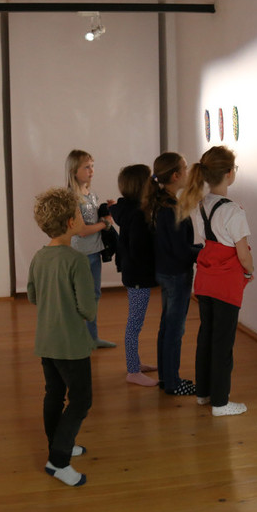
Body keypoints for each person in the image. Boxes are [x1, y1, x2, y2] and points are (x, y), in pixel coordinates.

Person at [27, 187, 97, 486]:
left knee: (54, 394)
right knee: (81, 399)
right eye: (79, 213)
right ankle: (58, 461)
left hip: (46, 341)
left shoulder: (39, 257)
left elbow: (32, 296)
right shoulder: (76, 260)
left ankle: (58, 444)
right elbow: (88, 309)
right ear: (70, 222)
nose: (82, 217)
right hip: (72, 345)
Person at [178, 146, 253, 417]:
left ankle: (204, 393)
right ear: (229, 173)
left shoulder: (201, 204)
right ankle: (220, 403)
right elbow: (243, 254)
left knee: (207, 336)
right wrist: (249, 271)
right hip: (226, 283)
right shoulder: (233, 211)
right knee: (223, 342)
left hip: (206, 280)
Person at [146, 152, 201, 396]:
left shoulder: (161, 203)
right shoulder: (170, 208)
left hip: (166, 271)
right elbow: (181, 251)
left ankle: (166, 378)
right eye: (185, 168)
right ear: (176, 175)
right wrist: (203, 251)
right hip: (176, 274)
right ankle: (172, 382)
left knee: (167, 326)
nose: (188, 172)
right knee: (175, 329)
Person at [109, 164, 159, 387]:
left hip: (133, 273)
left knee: (135, 322)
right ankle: (132, 371)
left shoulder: (125, 209)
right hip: (138, 275)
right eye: (151, 180)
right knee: (134, 324)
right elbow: (140, 250)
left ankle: (135, 363)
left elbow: (112, 208)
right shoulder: (138, 214)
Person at [65, 149, 116, 348]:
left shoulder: (91, 194)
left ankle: (91, 338)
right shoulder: (71, 197)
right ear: (74, 170)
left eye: (92, 166)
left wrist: (106, 211)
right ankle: (78, 338)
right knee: (81, 297)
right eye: (87, 167)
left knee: (94, 295)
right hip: (81, 254)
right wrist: (106, 223)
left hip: (95, 252)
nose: (91, 170)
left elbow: (92, 222)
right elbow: (81, 230)